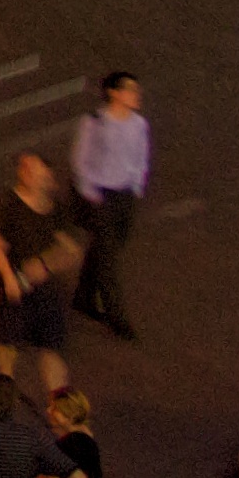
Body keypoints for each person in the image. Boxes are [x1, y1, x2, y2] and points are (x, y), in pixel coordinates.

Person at [0, 151, 82, 388]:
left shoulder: (56, 210)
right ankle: (4, 394)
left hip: (47, 293)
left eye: (33, 168)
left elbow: (73, 251)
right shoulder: (8, 204)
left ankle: (60, 406)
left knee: (51, 350)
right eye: (24, 167)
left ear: (48, 177)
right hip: (17, 290)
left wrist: (45, 265)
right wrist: (8, 277)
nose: (26, 172)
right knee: (7, 346)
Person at [63, 72, 144, 337]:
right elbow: (80, 159)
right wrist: (91, 193)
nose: (136, 95)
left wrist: (135, 186)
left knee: (105, 249)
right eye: (130, 90)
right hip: (100, 197)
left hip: (124, 197)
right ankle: (116, 315)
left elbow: (141, 157)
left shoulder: (139, 124)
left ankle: (84, 296)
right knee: (108, 258)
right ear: (114, 93)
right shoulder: (95, 122)